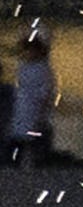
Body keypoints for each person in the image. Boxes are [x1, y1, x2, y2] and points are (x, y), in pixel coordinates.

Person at [6, 28, 51, 163]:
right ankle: (15, 160)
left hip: (34, 106)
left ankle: (32, 161)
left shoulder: (43, 70)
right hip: (21, 105)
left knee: (31, 136)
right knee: (18, 135)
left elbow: (45, 92)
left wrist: (42, 110)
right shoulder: (23, 66)